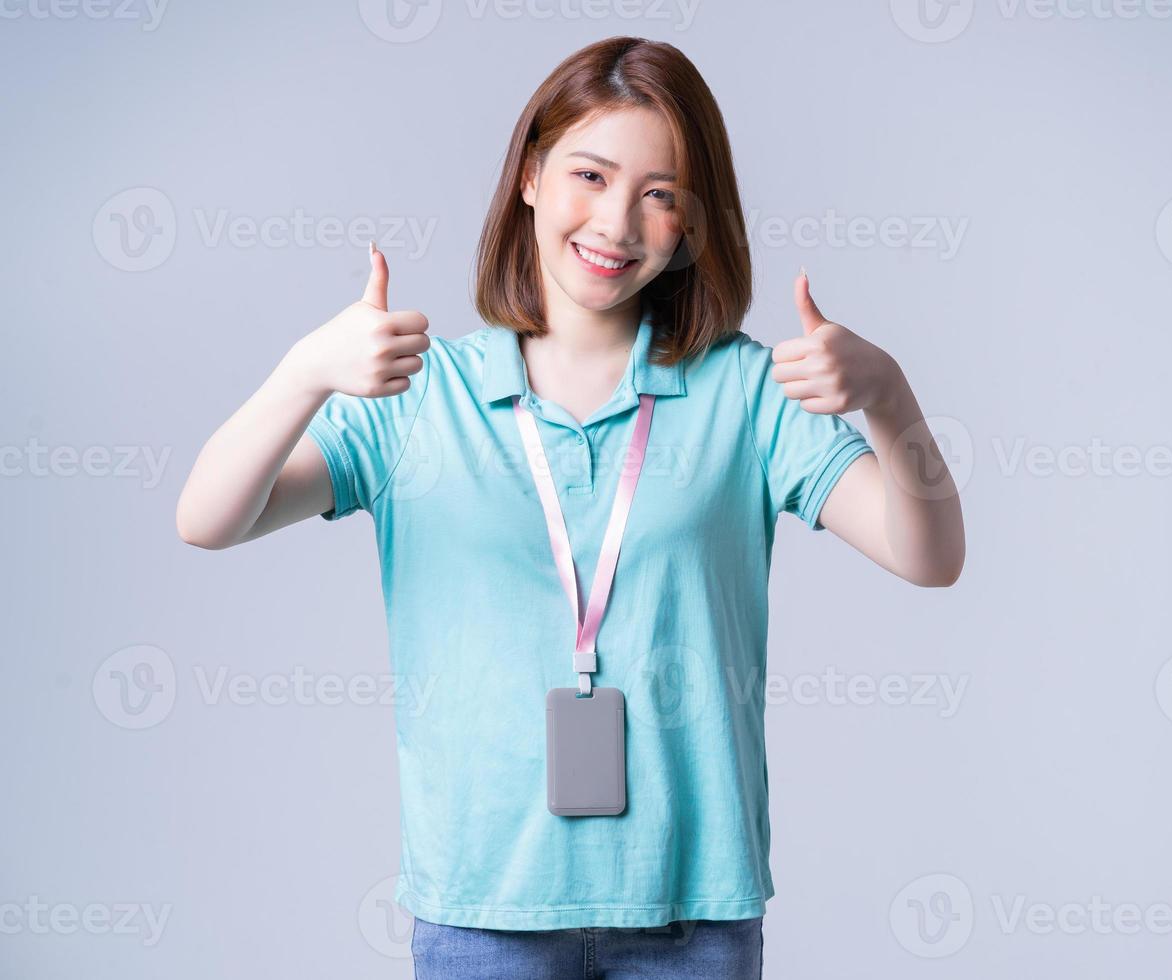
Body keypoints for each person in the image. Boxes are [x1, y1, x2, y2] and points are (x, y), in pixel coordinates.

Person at [175, 35, 963, 980]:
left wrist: (889, 394)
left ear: (692, 225)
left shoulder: (744, 394)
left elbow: (930, 555)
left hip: (694, 912)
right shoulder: (423, 393)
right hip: (482, 911)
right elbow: (209, 517)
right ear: (531, 179)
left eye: (661, 193)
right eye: (590, 173)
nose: (617, 221)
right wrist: (304, 374)